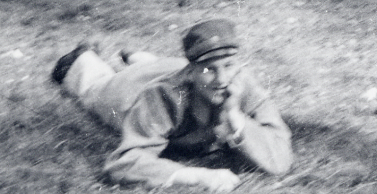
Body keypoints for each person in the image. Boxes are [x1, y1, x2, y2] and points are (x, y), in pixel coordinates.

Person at [52, 18, 293, 192]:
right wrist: (196, 176)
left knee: (164, 67)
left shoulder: (243, 83)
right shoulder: (162, 97)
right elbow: (123, 163)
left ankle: (140, 59)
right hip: (131, 92)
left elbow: (280, 160)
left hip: (173, 68)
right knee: (92, 86)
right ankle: (95, 58)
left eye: (228, 66)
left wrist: (235, 117)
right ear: (192, 71)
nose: (222, 80)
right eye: (209, 69)